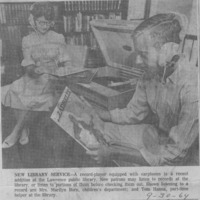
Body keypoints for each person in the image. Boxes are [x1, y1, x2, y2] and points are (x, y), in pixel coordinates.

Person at [87, 13, 199, 166]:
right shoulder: (149, 75)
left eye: (143, 55)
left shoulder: (193, 88)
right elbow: (133, 112)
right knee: (100, 130)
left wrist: (113, 152)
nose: (138, 61)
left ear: (167, 51)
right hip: (158, 136)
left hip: (186, 158)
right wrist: (100, 115)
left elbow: (175, 154)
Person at [1, 2, 71, 148]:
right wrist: (34, 70)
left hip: (52, 77)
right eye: (41, 22)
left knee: (34, 97)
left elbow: (66, 62)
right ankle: (24, 129)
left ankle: (17, 130)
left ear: (51, 22)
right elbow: (28, 64)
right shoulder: (27, 40)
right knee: (14, 88)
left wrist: (62, 71)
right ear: (33, 20)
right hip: (34, 75)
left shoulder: (58, 37)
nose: (44, 26)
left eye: (48, 22)